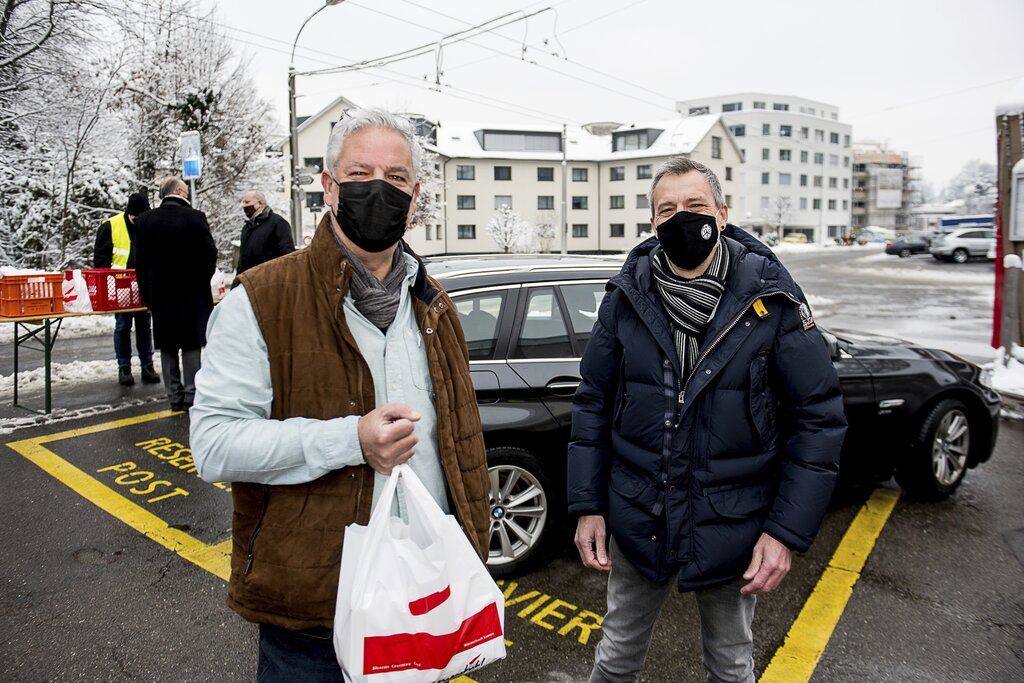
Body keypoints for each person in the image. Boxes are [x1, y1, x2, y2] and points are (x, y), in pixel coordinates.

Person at [189, 107, 491, 682]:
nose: (379, 189)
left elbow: (460, 442)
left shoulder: (435, 305)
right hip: (317, 615)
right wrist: (350, 439)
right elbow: (214, 444)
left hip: (428, 596)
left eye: (397, 178)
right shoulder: (261, 299)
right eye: (359, 174)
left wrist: (474, 553)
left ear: (415, 194)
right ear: (328, 187)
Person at [568, 156, 847, 682]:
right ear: (653, 224)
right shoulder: (626, 298)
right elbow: (592, 402)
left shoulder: (773, 297)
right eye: (666, 210)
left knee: (730, 663)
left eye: (694, 206)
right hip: (638, 512)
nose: (681, 218)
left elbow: (817, 420)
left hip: (733, 522)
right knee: (616, 655)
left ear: (722, 213)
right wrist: (587, 506)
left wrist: (784, 532)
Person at [134, 177, 217, 412]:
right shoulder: (195, 218)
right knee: (191, 345)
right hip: (192, 294)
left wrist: (147, 295)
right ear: (180, 191)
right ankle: (192, 394)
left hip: (160, 294)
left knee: (167, 345)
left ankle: (173, 396)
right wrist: (202, 280)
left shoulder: (145, 221)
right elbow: (209, 254)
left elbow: (140, 263)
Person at [93, 192, 160, 386]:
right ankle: (124, 368)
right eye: (135, 218)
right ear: (129, 213)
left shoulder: (149, 225)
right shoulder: (111, 226)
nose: (138, 221)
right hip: (119, 286)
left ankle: (147, 366)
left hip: (143, 285)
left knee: (144, 326)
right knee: (123, 326)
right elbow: (101, 261)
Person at [237, 190, 294, 274]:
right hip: (247, 281)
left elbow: (287, 255)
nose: (245, 207)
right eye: (244, 204)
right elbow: (242, 258)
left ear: (260, 203)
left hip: (268, 280)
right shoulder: (247, 227)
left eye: (248, 203)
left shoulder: (278, 223)